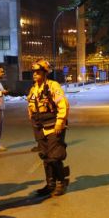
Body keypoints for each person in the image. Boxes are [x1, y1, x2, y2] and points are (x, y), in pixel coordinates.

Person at [27, 59, 70, 196]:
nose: (34, 75)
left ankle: (61, 183)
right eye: (33, 72)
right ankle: (50, 184)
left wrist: (60, 122)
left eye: (38, 72)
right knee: (45, 156)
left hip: (53, 125)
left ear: (45, 73)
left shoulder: (53, 86)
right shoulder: (34, 89)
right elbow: (31, 106)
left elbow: (63, 104)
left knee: (55, 156)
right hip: (39, 127)